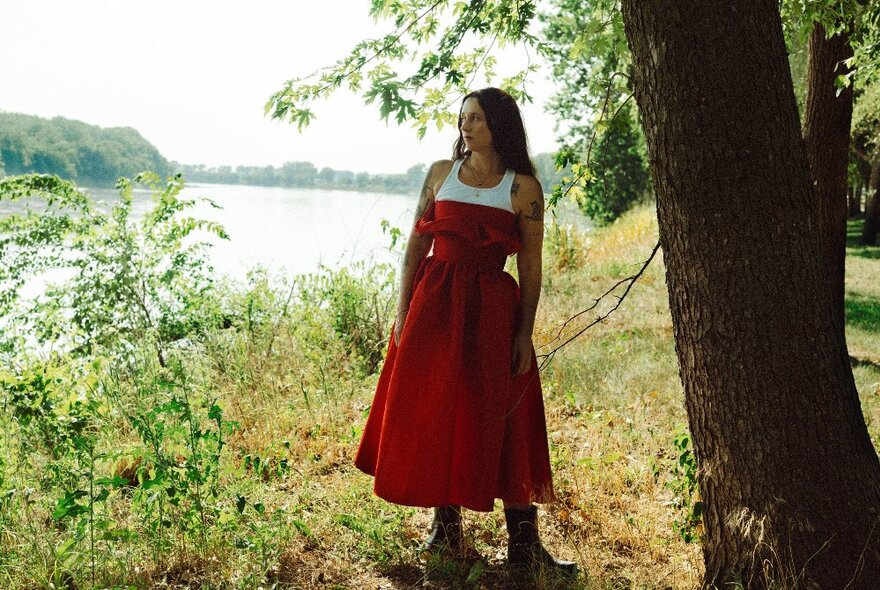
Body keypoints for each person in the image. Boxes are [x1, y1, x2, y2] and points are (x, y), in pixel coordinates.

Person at [354, 87, 575, 575]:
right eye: (462, 118)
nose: (464, 126)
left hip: (493, 311)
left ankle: (524, 544)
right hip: (436, 306)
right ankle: (445, 528)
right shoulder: (439, 174)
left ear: (499, 125)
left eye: (475, 118)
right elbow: (414, 250)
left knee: (504, 413)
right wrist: (402, 310)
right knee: (439, 409)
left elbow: (532, 268)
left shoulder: (522, 188)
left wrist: (524, 333)